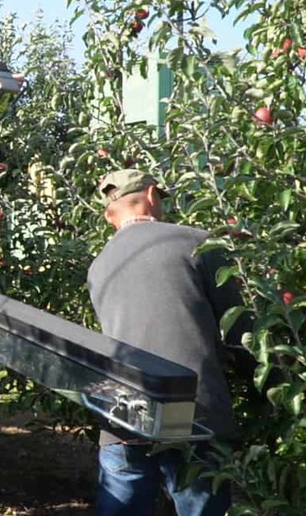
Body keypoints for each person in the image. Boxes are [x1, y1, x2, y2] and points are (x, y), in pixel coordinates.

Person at [87, 169, 252, 515]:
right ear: (151, 195)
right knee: (200, 506)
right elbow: (238, 329)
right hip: (193, 409)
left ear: (108, 215)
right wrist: (266, 385)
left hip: (122, 412)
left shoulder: (98, 266)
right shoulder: (197, 242)